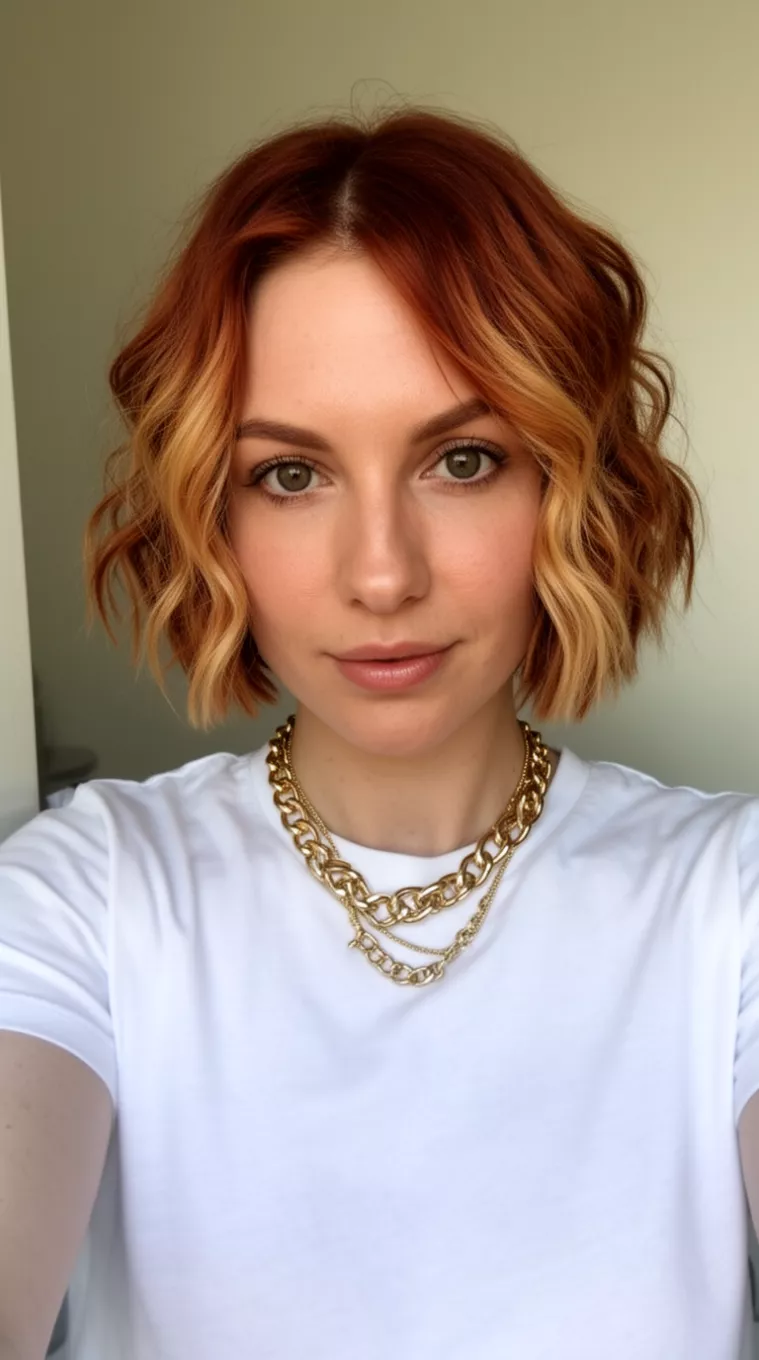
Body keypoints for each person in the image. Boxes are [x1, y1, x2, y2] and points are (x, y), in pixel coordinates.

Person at [0, 102, 757, 1360]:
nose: (383, 574)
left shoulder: (727, 903)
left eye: (462, 459)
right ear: (214, 516)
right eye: (290, 474)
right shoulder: (87, 893)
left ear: (571, 483)